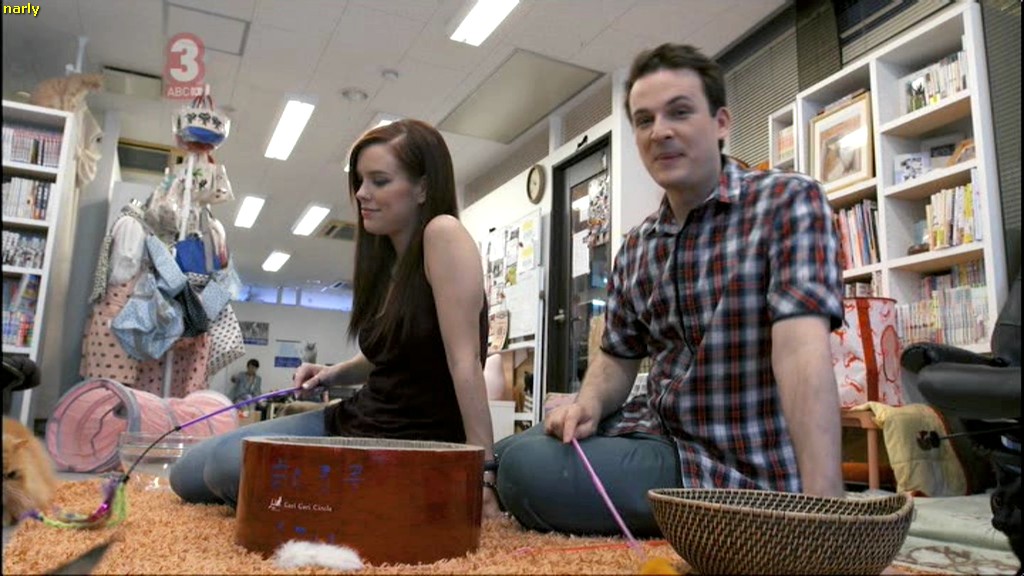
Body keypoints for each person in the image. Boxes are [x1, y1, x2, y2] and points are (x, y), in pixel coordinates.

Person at [493, 43, 845, 536]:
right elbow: (616, 358)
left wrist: (827, 510)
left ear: (721, 123)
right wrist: (587, 404)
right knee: (506, 452)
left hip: (734, 467)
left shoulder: (788, 202)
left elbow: (802, 354)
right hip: (658, 436)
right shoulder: (638, 246)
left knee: (522, 470)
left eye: (679, 112)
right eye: (644, 120)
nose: (659, 131)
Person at [170, 119, 501, 519]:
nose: (361, 193)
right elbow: (392, 354)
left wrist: (483, 472)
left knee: (225, 466)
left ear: (423, 188)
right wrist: (332, 373)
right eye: (360, 181)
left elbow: (465, 361)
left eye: (380, 181)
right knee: (186, 473)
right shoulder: (391, 264)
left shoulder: (443, 234)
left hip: (401, 439)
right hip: (357, 419)